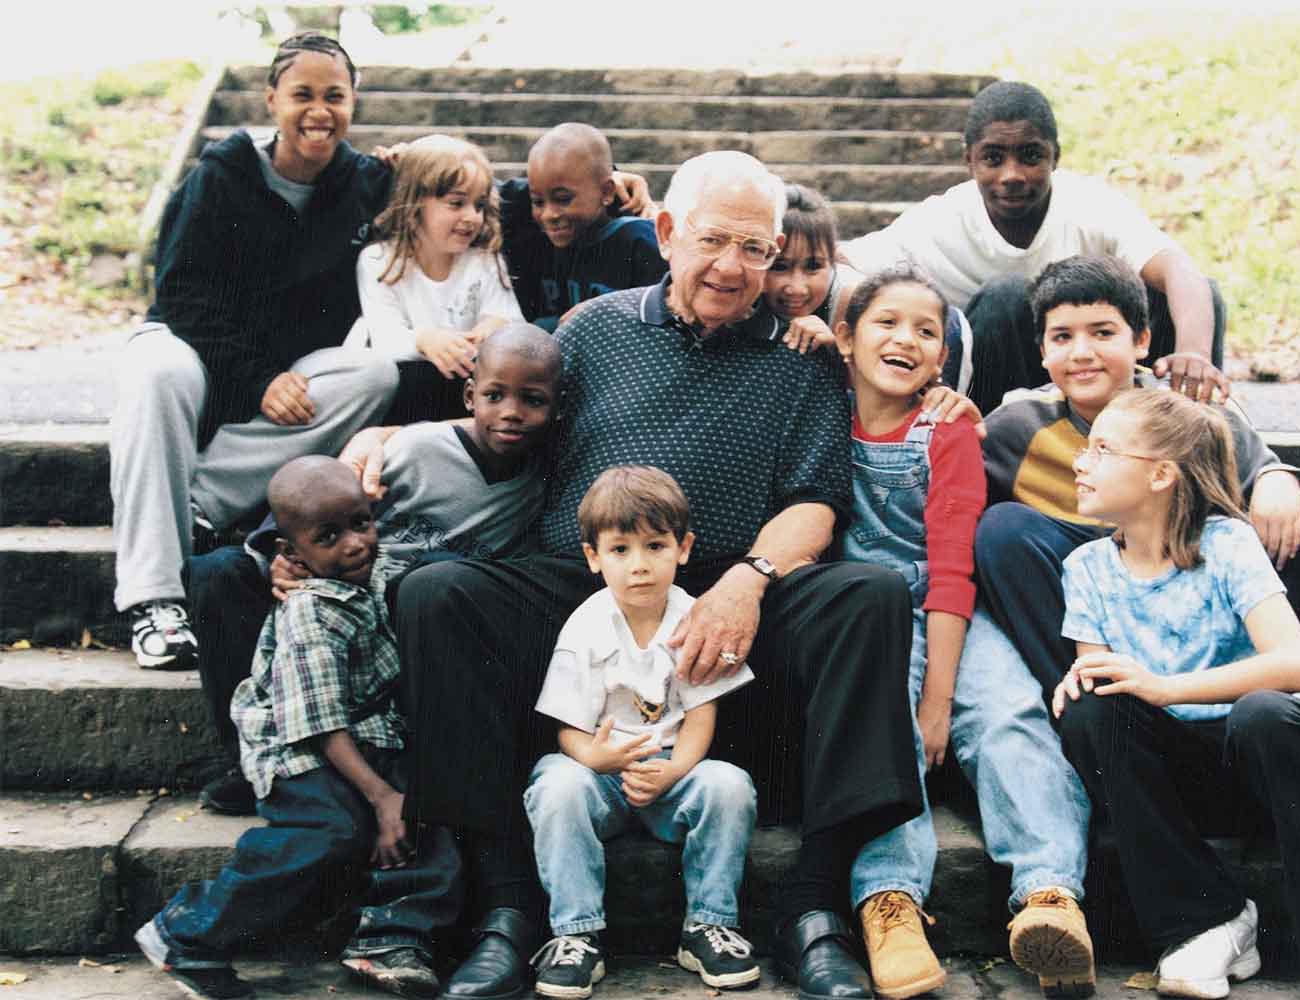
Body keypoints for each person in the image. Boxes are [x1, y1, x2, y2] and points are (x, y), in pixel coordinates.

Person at [355, 150, 924, 1000]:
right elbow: (502, 426)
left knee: (868, 596)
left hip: (728, 600)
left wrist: (749, 580)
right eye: (712, 241)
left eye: (756, 249)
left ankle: (814, 907)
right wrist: (390, 439)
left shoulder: (804, 362)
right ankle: (507, 906)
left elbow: (816, 503)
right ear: (665, 233)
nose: (733, 267)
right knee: (438, 593)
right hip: (585, 584)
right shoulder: (591, 331)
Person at [976, 254, 1300, 831]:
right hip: (1104, 601)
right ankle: (1108, 756)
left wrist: (1279, 475)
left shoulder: (1187, 408)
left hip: (1205, 595)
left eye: (1103, 333)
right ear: (1042, 352)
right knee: (1004, 530)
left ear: (1142, 340)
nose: (1082, 352)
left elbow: (1259, 469)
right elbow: (942, 483)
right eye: (1063, 336)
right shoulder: (1017, 425)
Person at [1052, 388, 1300, 1000]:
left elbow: (1296, 666)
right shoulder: (1085, 567)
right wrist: (1084, 681)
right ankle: (1207, 919)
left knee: (1265, 713)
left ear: (1161, 474)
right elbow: (1104, 680)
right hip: (1188, 782)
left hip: (1279, 763)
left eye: (1103, 449)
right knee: (1090, 709)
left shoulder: (1225, 544)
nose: (1082, 461)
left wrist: (1165, 689)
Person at [834, 266, 1096, 999]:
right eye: (886, 322)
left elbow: (952, 563)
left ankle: (1049, 895)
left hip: (948, 605)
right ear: (846, 338)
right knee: (884, 725)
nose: (905, 339)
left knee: (1010, 712)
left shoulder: (947, 428)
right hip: (863, 613)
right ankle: (889, 901)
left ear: (943, 359)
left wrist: (940, 699)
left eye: (926, 331)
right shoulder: (817, 408)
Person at [110, 31, 400, 671]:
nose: (319, 111)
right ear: (272, 100)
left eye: (335, 96)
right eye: (302, 95)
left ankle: (198, 508)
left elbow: (467, 202)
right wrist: (256, 374)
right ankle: (154, 600)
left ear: (353, 102)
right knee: (153, 371)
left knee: (372, 374)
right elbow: (180, 294)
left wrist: (614, 189)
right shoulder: (221, 176)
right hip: (197, 348)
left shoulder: (364, 181)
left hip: (286, 374)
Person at [188, 325, 562, 817]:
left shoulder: (544, 482)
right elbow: (320, 497)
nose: (511, 413)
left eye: (531, 400)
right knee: (215, 572)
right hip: (328, 585)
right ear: (471, 396)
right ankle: (253, 760)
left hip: (396, 623)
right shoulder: (416, 451)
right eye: (495, 396)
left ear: (555, 409)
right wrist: (280, 556)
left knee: (434, 578)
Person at [134, 457, 463, 1000]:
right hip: (298, 746)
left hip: (371, 733)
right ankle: (187, 932)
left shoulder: (378, 574)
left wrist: (394, 794)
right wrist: (381, 797)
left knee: (431, 809)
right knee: (330, 832)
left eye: (361, 523)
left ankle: (390, 935)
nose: (355, 544)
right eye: (328, 536)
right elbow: (319, 725)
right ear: (290, 554)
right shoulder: (309, 610)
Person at [840, 80, 1228, 414]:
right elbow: (844, 264)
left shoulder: (1090, 205)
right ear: (968, 161)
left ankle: (1189, 434)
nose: (1011, 175)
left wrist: (1195, 354)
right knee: (1004, 295)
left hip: (1095, 364)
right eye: (993, 158)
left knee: (1202, 294)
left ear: (1054, 157)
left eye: (1030, 157)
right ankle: (993, 461)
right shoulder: (942, 221)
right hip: (1006, 387)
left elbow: (1178, 269)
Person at [524, 465, 760, 998]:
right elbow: (567, 727)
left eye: (655, 546)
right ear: (593, 557)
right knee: (555, 785)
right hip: (599, 773)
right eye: (620, 550)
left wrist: (674, 770)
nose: (639, 567)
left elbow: (702, 715)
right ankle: (577, 933)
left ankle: (709, 924)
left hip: (672, 771)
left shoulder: (694, 618)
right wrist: (596, 759)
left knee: (729, 785)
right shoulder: (586, 625)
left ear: (683, 548)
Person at [345, 135, 526, 423]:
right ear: (414, 205)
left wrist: (494, 326)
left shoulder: (483, 261)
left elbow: (513, 323)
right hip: (403, 391)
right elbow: (384, 337)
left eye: (479, 206)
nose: (472, 217)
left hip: (459, 388)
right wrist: (425, 340)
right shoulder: (379, 260)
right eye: (456, 203)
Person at [769, 183, 974, 394]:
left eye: (813, 267)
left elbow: (895, 391)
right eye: (779, 267)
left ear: (833, 261)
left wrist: (835, 353)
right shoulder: (745, 294)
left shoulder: (854, 300)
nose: (797, 288)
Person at [504, 122, 668, 330]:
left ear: (607, 192)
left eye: (563, 199)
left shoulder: (638, 240)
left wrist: (605, 310)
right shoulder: (536, 236)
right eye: (537, 202)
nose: (549, 215)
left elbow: (672, 306)